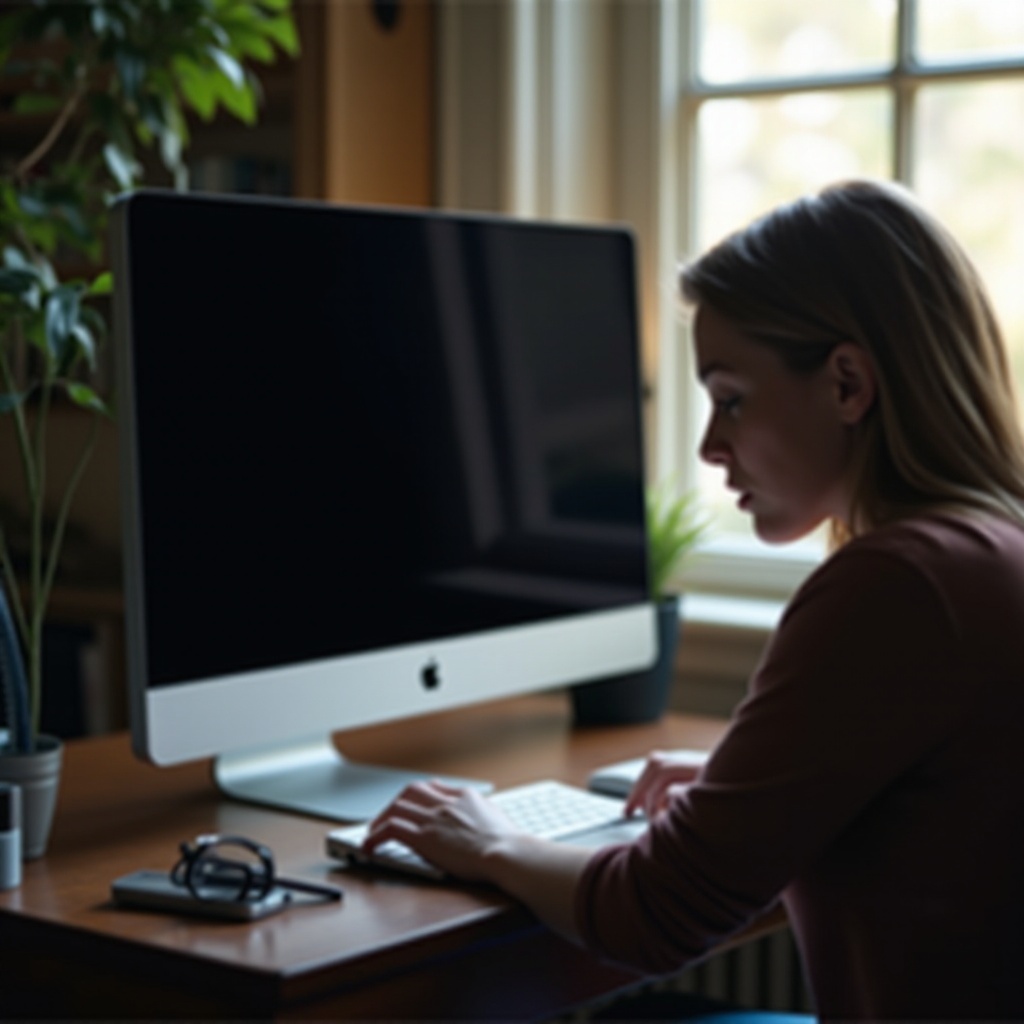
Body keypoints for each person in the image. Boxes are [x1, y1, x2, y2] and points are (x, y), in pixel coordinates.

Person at [364, 180, 1024, 1022]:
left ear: (849, 384)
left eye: (731, 398)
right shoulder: (992, 550)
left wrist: (492, 841)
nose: (712, 447)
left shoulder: (900, 583)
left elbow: (654, 912)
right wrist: (745, 789)